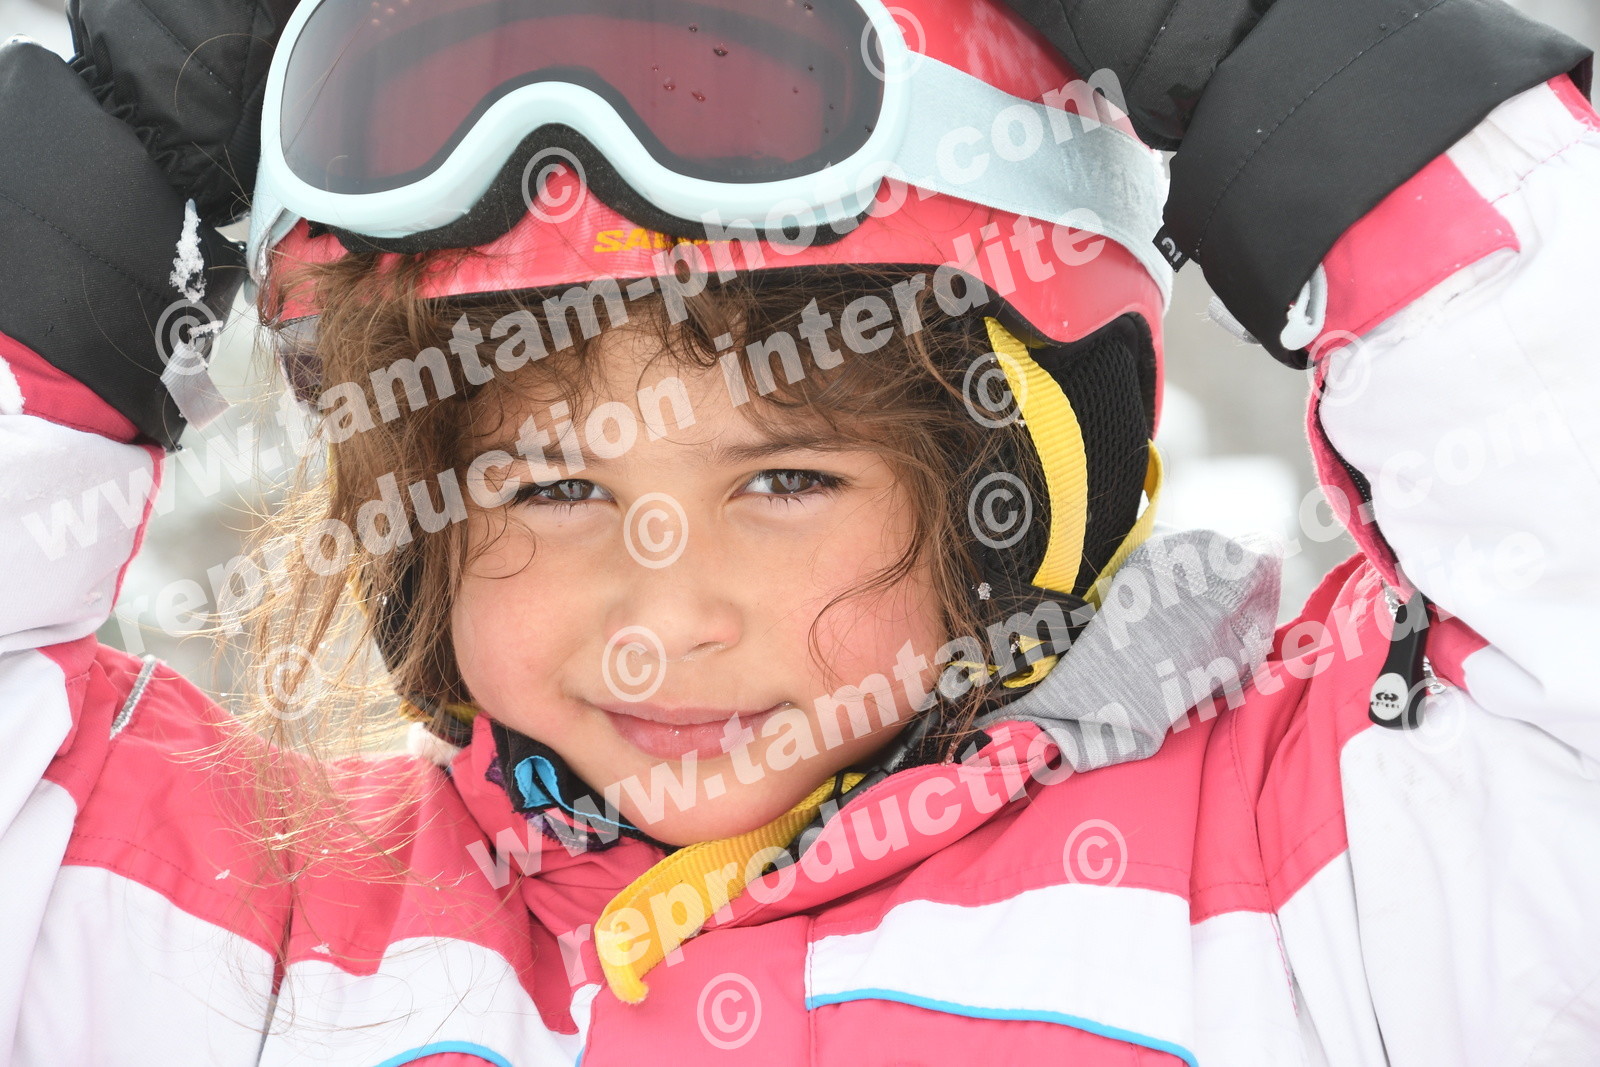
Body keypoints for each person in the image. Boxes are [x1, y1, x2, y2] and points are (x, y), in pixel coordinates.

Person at [1, 0, 1597, 1063]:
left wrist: (1327, 78)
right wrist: (80, 186)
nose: (663, 619)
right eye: (550, 489)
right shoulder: (270, 935)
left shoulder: (1300, 878)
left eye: (785, 483)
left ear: (1021, 488)